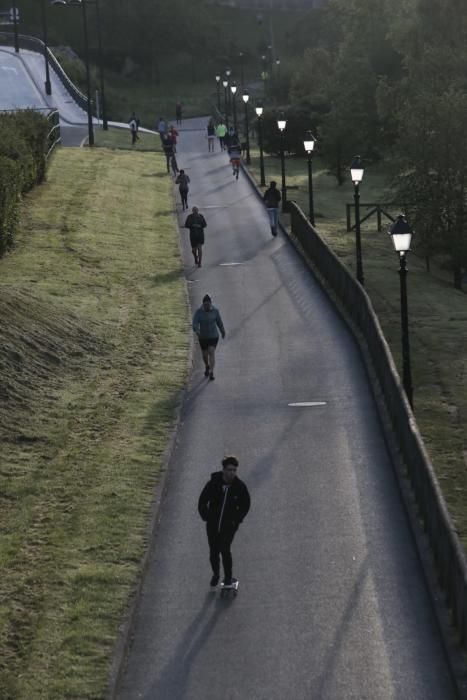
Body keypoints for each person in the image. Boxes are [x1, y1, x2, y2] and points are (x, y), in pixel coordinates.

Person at [198, 455, 250, 587]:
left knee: (225, 550)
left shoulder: (240, 486)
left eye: (234, 470)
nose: (232, 473)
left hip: (229, 526)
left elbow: (245, 504)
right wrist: (206, 516)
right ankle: (216, 574)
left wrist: (236, 520)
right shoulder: (213, 484)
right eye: (229, 470)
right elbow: (202, 501)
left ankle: (228, 578)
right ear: (223, 470)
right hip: (213, 525)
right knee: (213, 552)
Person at [192, 293, 225, 379]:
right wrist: (197, 330)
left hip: (213, 336)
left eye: (208, 304)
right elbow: (195, 323)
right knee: (204, 355)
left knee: (211, 351)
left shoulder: (215, 311)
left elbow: (219, 322)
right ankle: (207, 365)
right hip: (203, 337)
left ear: (211, 303)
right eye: (205, 304)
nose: (207, 306)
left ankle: (211, 372)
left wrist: (222, 331)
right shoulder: (198, 312)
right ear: (203, 304)